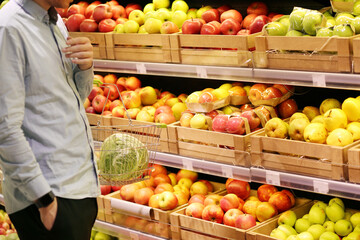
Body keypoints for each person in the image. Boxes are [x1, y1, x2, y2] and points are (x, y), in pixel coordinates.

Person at [0, 0, 100, 239]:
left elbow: (72, 99)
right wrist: (45, 200)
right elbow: (4, 127)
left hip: (77, 186)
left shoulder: (54, 22)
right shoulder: (10, 28)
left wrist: (85, 68)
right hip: (48, 197)